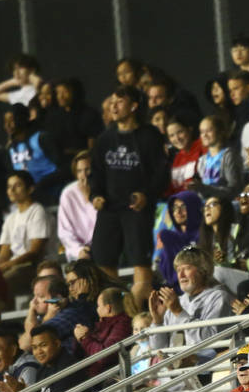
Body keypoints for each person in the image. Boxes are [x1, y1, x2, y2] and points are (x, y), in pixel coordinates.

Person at [89, 85, 167, 308]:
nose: (113, 106)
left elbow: (161, 172)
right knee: (103, 258)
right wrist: (96, 195)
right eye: (112, 101)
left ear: (133, 106)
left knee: (139, 259)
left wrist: (147, 195)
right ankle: (113, 307)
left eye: (119, 101)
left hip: (137, 209)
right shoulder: (104, 138)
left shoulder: (150, 136)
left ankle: (141, 308)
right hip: (109, 208)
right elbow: (96, 172)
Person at [147, 246, 233, 365]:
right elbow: (158, 349)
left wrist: (179, 312)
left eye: (187, 268)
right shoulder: (177, 302)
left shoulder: (218, 297)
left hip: (205, 371)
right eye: (178, 270)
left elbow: (209, 341)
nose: (181, 275)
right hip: (173, 377)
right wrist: (157, 322)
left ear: (203, 270)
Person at [0, 171, 53, 292]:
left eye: (17, 185)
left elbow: (35, 252)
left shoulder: (38, 211)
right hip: (15, 266)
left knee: (3, 282)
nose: (11, 190)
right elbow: (4, 253)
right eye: (9, 186)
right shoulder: (10, 218)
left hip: (34, 266)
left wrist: (8, 265)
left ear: (30, 189)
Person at [3, 104, 63, 204]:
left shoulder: (41, 138)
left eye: (11, 121)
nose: (7, 125)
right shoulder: (10, 149)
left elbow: (63, 168)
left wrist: (41, 184)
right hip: (28, 199)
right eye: (5, 122)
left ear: (21, 119)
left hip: (53, 195)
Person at [156, 191, 203, 288]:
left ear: (193, 208)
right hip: (172, 289)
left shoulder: (204, 234)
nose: (178, 212)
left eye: (183, 207)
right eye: (175, 208)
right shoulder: (171, 238)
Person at [57, 151, 97, 261]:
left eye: (87, 169)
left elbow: (102, 225)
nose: (83, 175)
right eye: (79, 171)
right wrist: (79, 250)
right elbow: (64, 231)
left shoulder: (104, 189)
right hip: (78, 251)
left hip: (103, 247)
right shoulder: (68, 193)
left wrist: (88, 198)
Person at [165, 114, 204, 196]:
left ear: (189, 129)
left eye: (180, 132)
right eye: (172, 135)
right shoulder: (177, 158)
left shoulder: (203, 145)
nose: (177, 138)